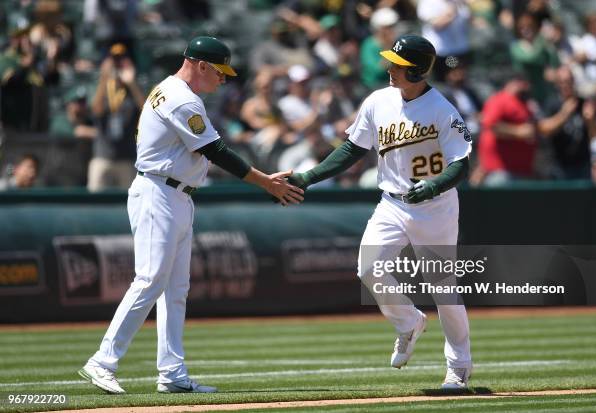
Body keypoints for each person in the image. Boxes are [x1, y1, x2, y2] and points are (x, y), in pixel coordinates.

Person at [78, 36, 304, 395]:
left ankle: (172, 373)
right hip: (158, 192)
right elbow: (217, 151)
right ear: (200, 65)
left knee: (176, 289)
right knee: (151, 279)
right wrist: (266, 183)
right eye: (219, 72)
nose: (224, 79)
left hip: (177, 195)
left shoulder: (176, 91)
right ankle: (102, 361)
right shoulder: (181, 98)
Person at [288, 35, 473, 389]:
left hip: (434, 208)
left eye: (398, 65)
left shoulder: (442, 109)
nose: (389, 68)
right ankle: (408, 323)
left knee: (442, 288)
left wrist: (435, 185)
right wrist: (308, 177)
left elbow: (462, 164)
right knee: (369, 268)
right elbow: (351, 150)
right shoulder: (378, 101)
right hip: (391, 201)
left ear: (417, 70)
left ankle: (459, 366)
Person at [89, 43, 145, 192]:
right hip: (102, 156)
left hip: (126, 158)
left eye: (122, 59)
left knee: (129, 202)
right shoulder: (103, 87)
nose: (118, 64)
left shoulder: (134, 89)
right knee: (95, 200)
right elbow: (96, 110)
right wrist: (104, 78)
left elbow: (147, 112)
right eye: (115, 59)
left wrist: (132, 83)